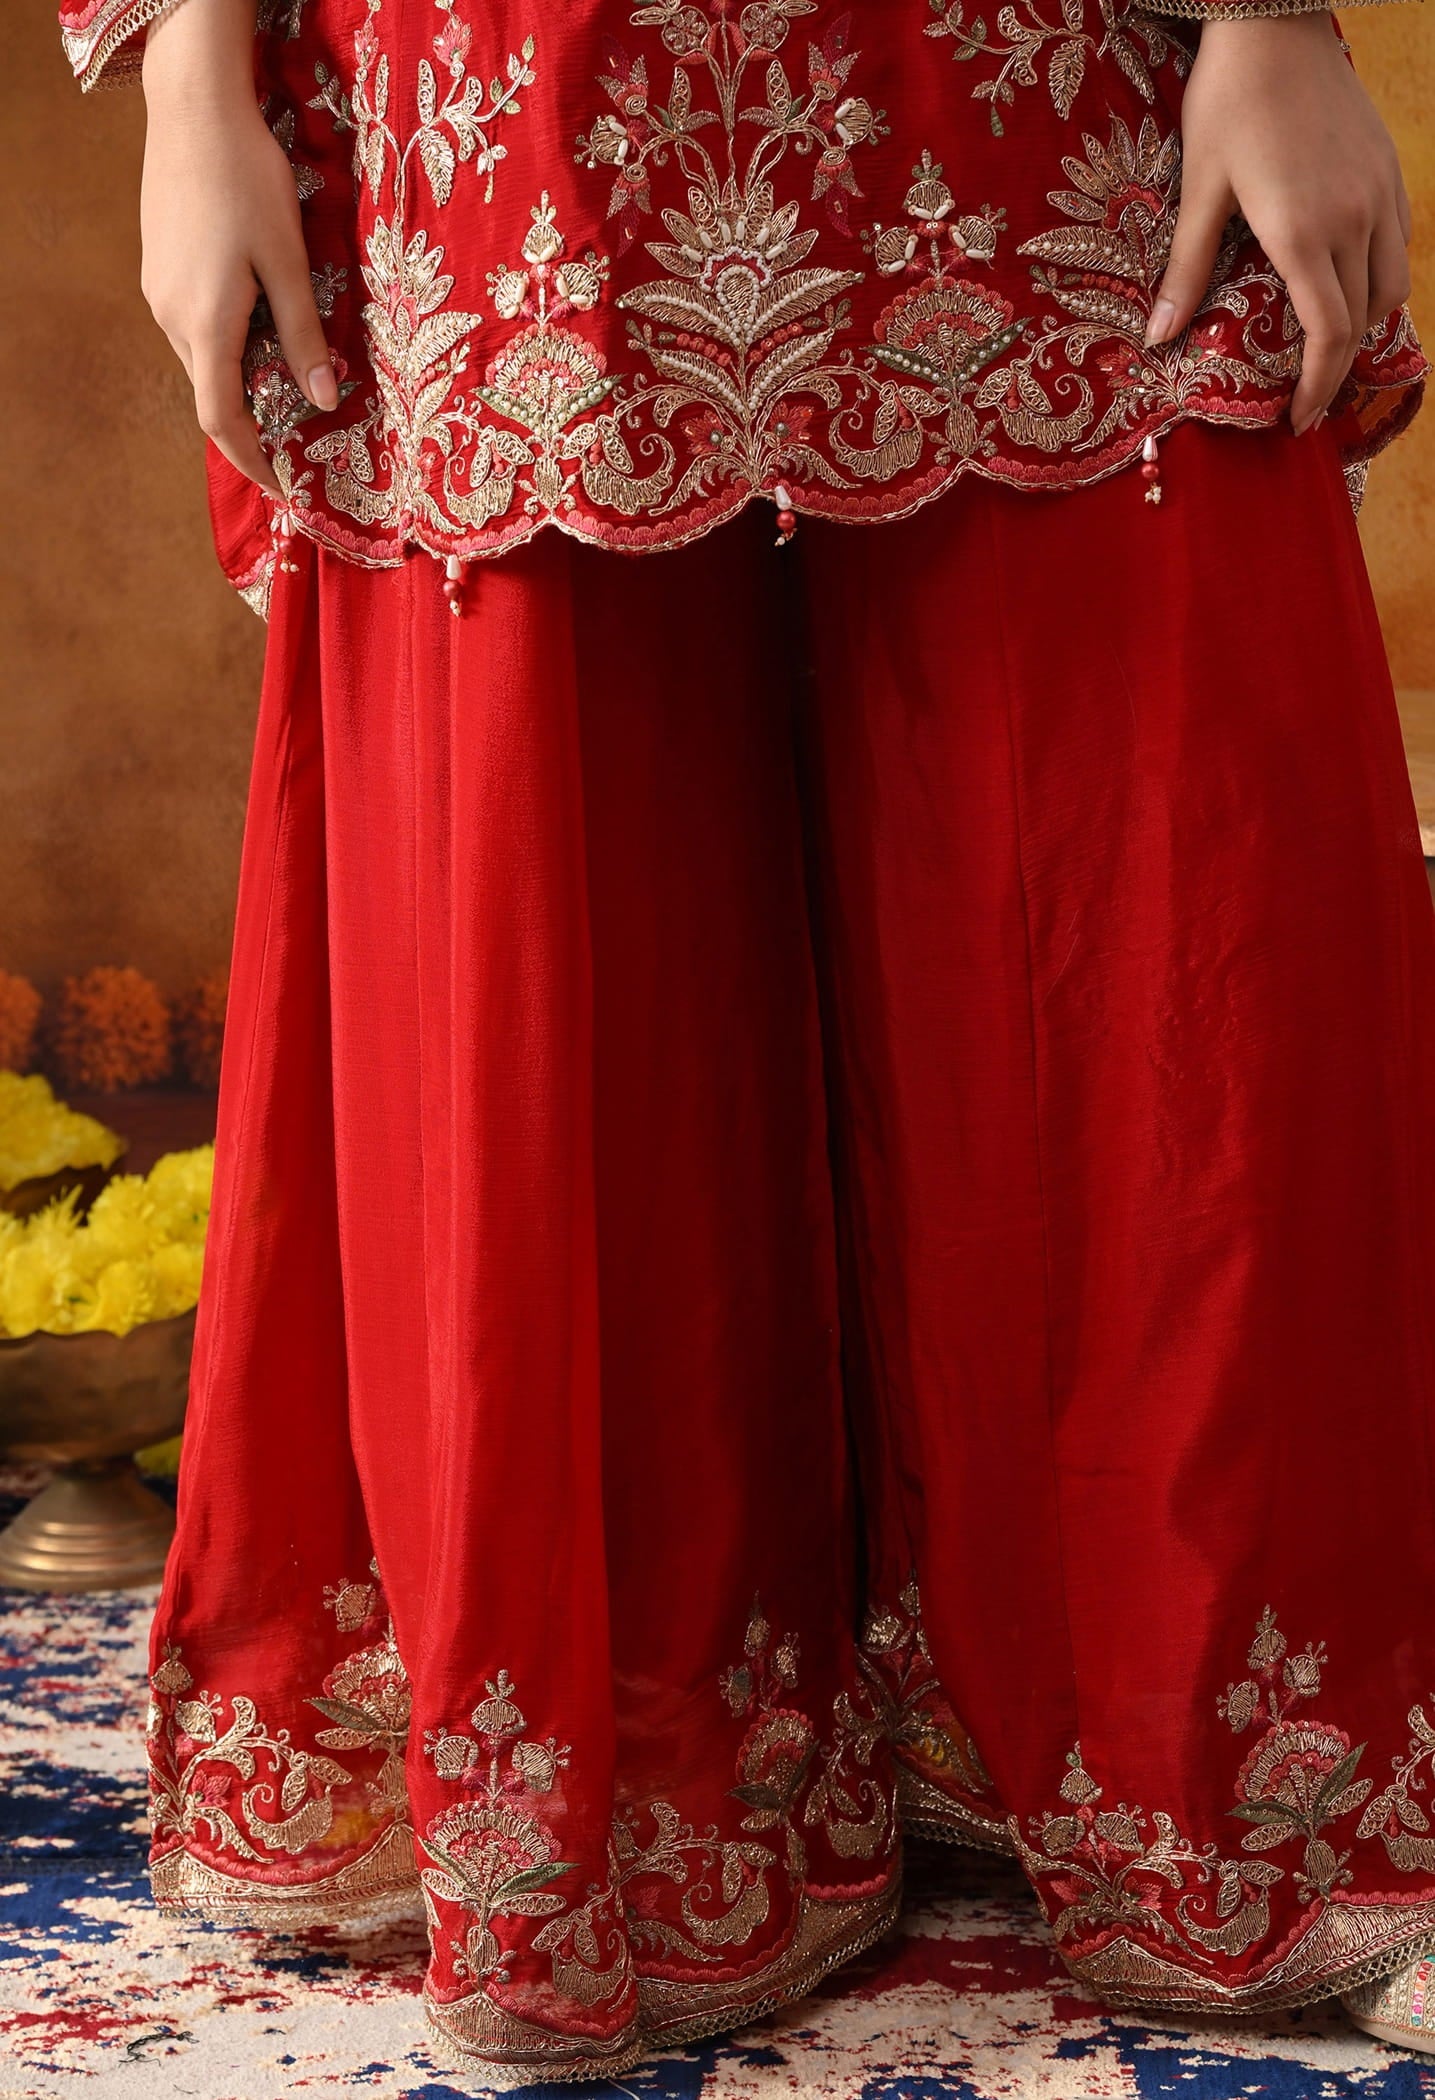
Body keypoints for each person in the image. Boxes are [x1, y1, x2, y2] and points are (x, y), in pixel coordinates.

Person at [58, 0, 1435, 2071]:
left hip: (1025, 66)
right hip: (495, 81)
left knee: (1149, 950)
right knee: (560, 982)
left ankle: (1206, 1774)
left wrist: (1270, 22)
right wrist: (189, 80)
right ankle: (644, 1796)